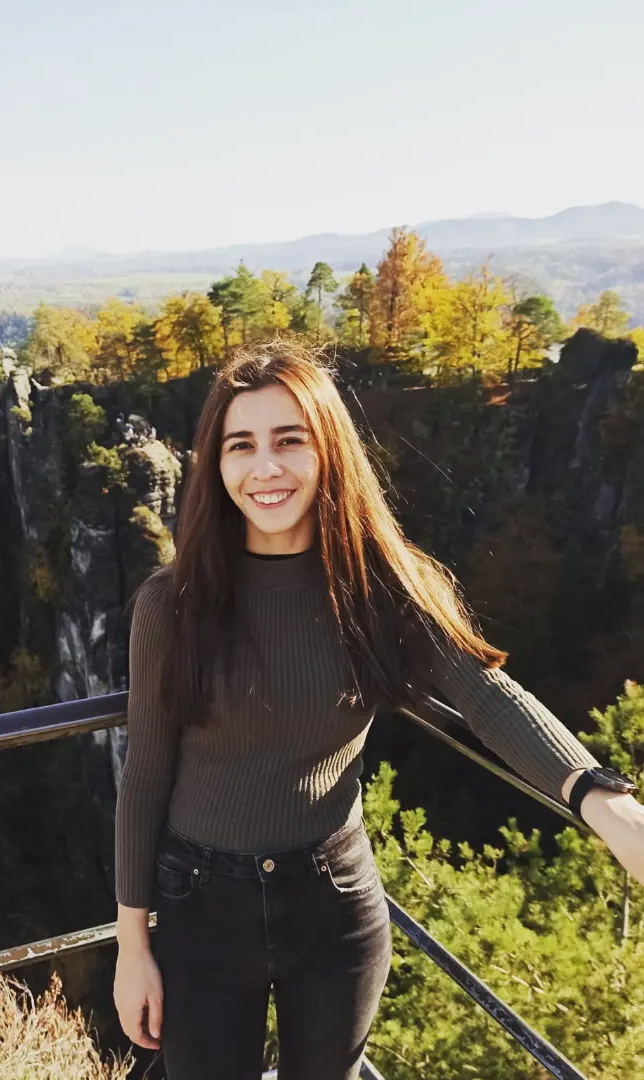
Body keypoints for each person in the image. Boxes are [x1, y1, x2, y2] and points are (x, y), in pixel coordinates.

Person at [112, 342, 644, 1080]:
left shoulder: (380, 587)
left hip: (332, 904)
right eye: (241, 445)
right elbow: (144, 776)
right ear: (216, 463)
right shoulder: (171, 603)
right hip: (201, 910)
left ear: (329, 449)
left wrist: (608, 804)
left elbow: (486, 694)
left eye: (289, 440)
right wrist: (132, 946)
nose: (265, 467)